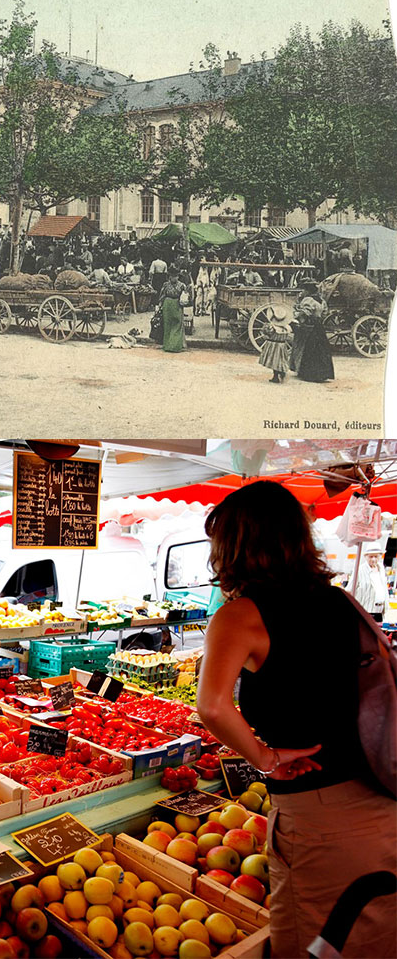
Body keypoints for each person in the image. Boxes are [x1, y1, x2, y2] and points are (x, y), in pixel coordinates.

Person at [197, 482, 397, 959]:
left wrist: (265, 759)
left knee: (312, 944)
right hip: (382, 808)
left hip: (321, 819)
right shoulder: (339, 603)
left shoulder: (240, 615)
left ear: (234, 545)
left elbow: (212, 706)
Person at [290, 281, 334, 382]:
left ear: (308, 291)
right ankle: (322, 374)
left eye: (304, 290)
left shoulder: (308, 300)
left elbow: (305, 313)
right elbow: (324, 314)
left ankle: (309, 374)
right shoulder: (321, 301)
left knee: (307, 348)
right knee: (320, 350)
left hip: (309, 326)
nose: (303, 292)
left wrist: (296, 315)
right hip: (318, 326)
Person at [348, 543, 389, 623]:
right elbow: (349, 590)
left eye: (376, 556)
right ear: (366, 557)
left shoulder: (381, 569)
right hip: (366, 611)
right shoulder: (359, 570)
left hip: (380, 611)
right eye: (371, 556)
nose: (373, 559)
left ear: (380, 556)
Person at [257, 304, 293, 383]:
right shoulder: (287, 328)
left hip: (273, 345)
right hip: (282, 345)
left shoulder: (272, 327)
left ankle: (276, 376)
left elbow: (266, 333)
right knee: (281, 360)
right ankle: (281, 372)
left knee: (274, 361)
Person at [157, 271, 187, 353]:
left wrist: (184, 301)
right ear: (169, 277)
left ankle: (176, 346)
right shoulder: (165, 285)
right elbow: (162, 294)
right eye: (172, 276)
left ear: (178, 277)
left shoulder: (182, 285)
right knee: (167, 325)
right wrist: (160, 304)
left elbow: (186, 296)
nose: (174, 278)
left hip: (177, 304)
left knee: (177, 324)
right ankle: (167, 345)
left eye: (176, 276)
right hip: (167, 304)